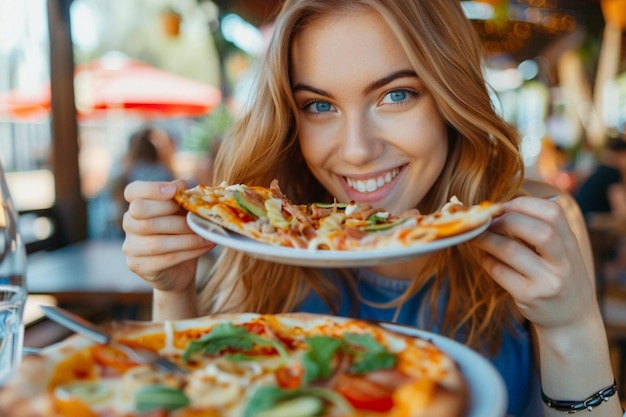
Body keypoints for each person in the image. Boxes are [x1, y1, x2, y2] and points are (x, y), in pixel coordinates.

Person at [121, 1, 621, 416]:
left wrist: (572, 328)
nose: (357, 150)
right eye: (319, 105)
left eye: (395, 95)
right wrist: (172, 293)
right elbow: (190, 398)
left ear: (451, 96)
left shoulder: (533, 225)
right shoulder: (255, 238)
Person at [91, 126, 175, 238]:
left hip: (117, 234)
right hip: (157, 233)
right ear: (154, 150)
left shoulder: (121, 172)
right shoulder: (163, 172)